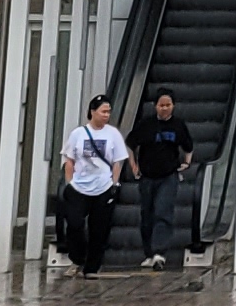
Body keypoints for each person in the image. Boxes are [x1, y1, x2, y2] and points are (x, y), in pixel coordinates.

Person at [58, 95, 132, 276]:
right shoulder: (78, 134)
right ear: (92, 112)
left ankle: (92, 267)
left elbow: (117, 162)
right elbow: (69, 160)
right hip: (79, 187)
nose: (106, 115)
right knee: (74, 224)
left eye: (108, 112)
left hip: (103, 187)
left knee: (99, 229)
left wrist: (114, 183)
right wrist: (70, 182)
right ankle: (77, 257)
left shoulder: (113, 134)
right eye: (103, 111)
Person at [130, 88, 196, 270]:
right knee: (147, 215)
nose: (165, 108)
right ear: (155, 106)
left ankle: (159, 252)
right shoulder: (146, 124)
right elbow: (130, 144)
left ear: (173, 106)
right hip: (147, 176)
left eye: (168, 105)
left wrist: (186, 163)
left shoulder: (178, 125)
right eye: (161, 105)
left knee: (163, 211)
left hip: (168, 176)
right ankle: (149, 253)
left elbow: (188, 146)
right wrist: (134, 165)